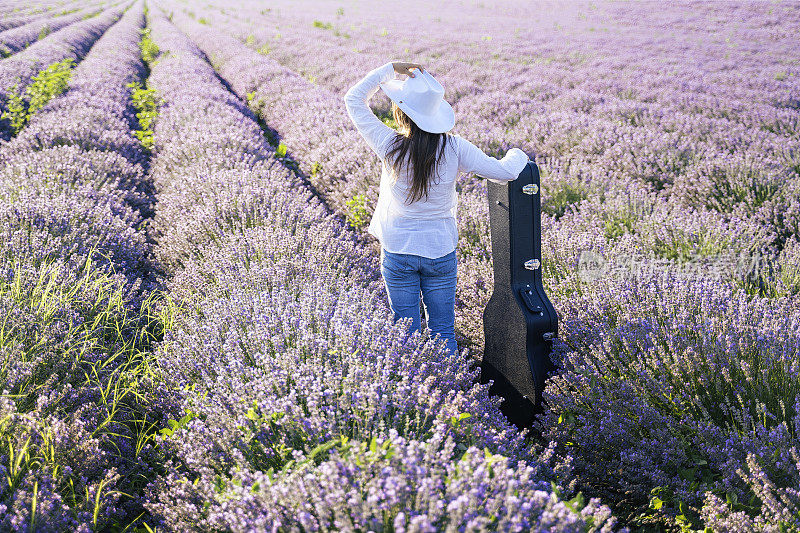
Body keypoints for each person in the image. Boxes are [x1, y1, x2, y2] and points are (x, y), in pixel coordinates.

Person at [344, 61, 529, 356]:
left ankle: (419, 393)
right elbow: (504, 172)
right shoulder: (454, 147)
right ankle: (453, 391)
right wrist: (518, 154)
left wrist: (390, 69)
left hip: (399, 249)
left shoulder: (389, 144)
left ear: (401, 111)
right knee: (443, 331)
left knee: (406, 334)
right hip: (440, 251)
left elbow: (353, 99)